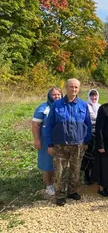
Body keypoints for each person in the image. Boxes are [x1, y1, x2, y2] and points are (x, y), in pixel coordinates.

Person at [45, 78, 92, 206]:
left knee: (75, 170)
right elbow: (49, 126)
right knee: (60, 171)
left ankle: (72, 191)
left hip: (78, 144)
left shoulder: (83, 105)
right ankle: (60, 195)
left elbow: (87, 124)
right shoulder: (57, 104)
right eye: (71, 87)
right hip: (60, 145)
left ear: (79, 89)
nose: (74, 89)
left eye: (76, 87)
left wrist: (86, 141)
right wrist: (49, 144)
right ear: (66, 88)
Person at [32, 87, 62, 196]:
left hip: (60, 141)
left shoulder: (63, 106)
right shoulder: (43, 108)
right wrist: (37, 140)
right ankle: (49, 185)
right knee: (47, 164)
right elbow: (35, 125)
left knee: (58, 163)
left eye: (58, 94)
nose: (56, 97)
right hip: (46, 141)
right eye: (54, 95)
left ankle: (57, 183)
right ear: (49, 96)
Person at [81, 89, 101, 185]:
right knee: (88, 155)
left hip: (98, 134)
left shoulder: (100, 106)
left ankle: (95, 174)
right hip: (88, 134)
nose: (94, 97)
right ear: (89, 96)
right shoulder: (85, 106)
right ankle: (86, 176)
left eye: (95, 96)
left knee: (97, 155)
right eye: (92, 96)